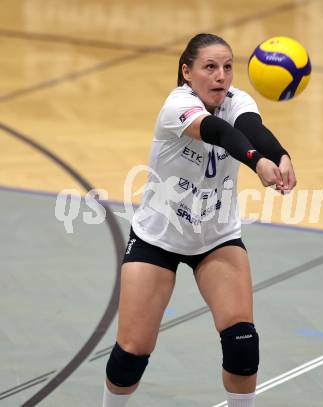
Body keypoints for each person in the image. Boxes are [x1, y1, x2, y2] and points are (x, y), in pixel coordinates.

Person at [102, 33, 296, 407]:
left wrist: (280, 154)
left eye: (227, 67)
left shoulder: (237, 99)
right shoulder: (177, 106)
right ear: (187, 72)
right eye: (210, 67)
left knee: (243, 347)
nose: (221, 76)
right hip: (158, 238)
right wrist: (258, 161)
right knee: (132, 354)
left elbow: (252, 128)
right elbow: (219, 133)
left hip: (216, 237)